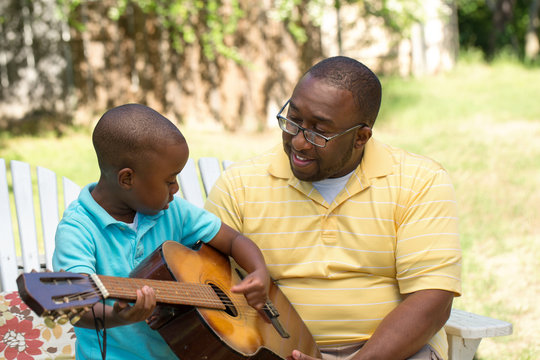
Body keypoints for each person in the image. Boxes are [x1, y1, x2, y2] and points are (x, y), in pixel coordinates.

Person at [205, 56, 461, 360]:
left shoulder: (420, 181)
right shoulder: (240, 185)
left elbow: (432, 299)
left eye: (319, 132)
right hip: (273, 351)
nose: (299, 142)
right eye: (294, 120)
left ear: (361, 137)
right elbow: (203, 276)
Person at [52, 103, 270, 360]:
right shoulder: (78, 230)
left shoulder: (173, 211)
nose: (176, 188)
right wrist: (117, 317)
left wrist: (259, 271)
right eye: (169, 180)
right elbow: (75, 308)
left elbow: (233, 240)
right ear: (127, 179)